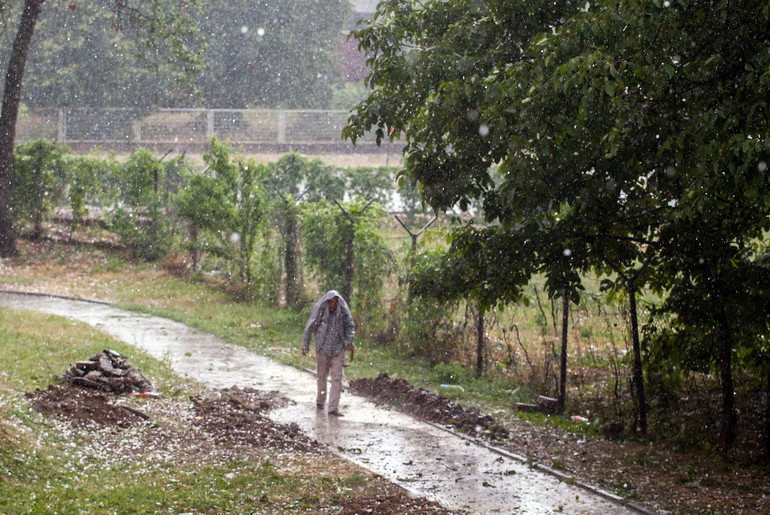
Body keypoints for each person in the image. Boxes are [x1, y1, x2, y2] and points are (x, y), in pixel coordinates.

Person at [302, 290, 355, 416]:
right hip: (322, 348)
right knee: (322, 376)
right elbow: (310, 326)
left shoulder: (342, 311)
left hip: (338, 349)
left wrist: (349, 340)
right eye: (330, 302)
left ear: (337, 303)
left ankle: (333, 408)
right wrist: (305, 345)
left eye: (334, 303)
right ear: (327, 302)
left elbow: (350, 326)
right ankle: (320, 401)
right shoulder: (320, 309)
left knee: (337, 378)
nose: (332, 305)